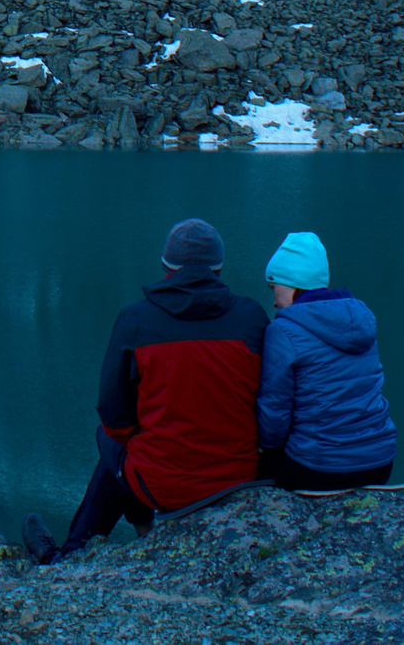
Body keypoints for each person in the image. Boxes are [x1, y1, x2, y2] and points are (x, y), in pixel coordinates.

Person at [22, 218, 268, 563]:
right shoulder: (252, 318)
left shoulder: (136, 321)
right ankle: (141, 532)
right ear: (218, 268)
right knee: (129, 447)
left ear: (166, 267)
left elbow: (112, 414)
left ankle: (72, 554)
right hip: (240, 480)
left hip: (166, 488)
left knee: (112, 445)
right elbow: (271, 402)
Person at [256, 230, 397, 491]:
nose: (274, 301)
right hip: (381, 463)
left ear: (292, 286)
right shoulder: (361, 319)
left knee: (255, 470)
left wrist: (267, 449)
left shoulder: (284, 331)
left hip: (320, 469)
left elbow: (275, 416)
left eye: (273, 287)